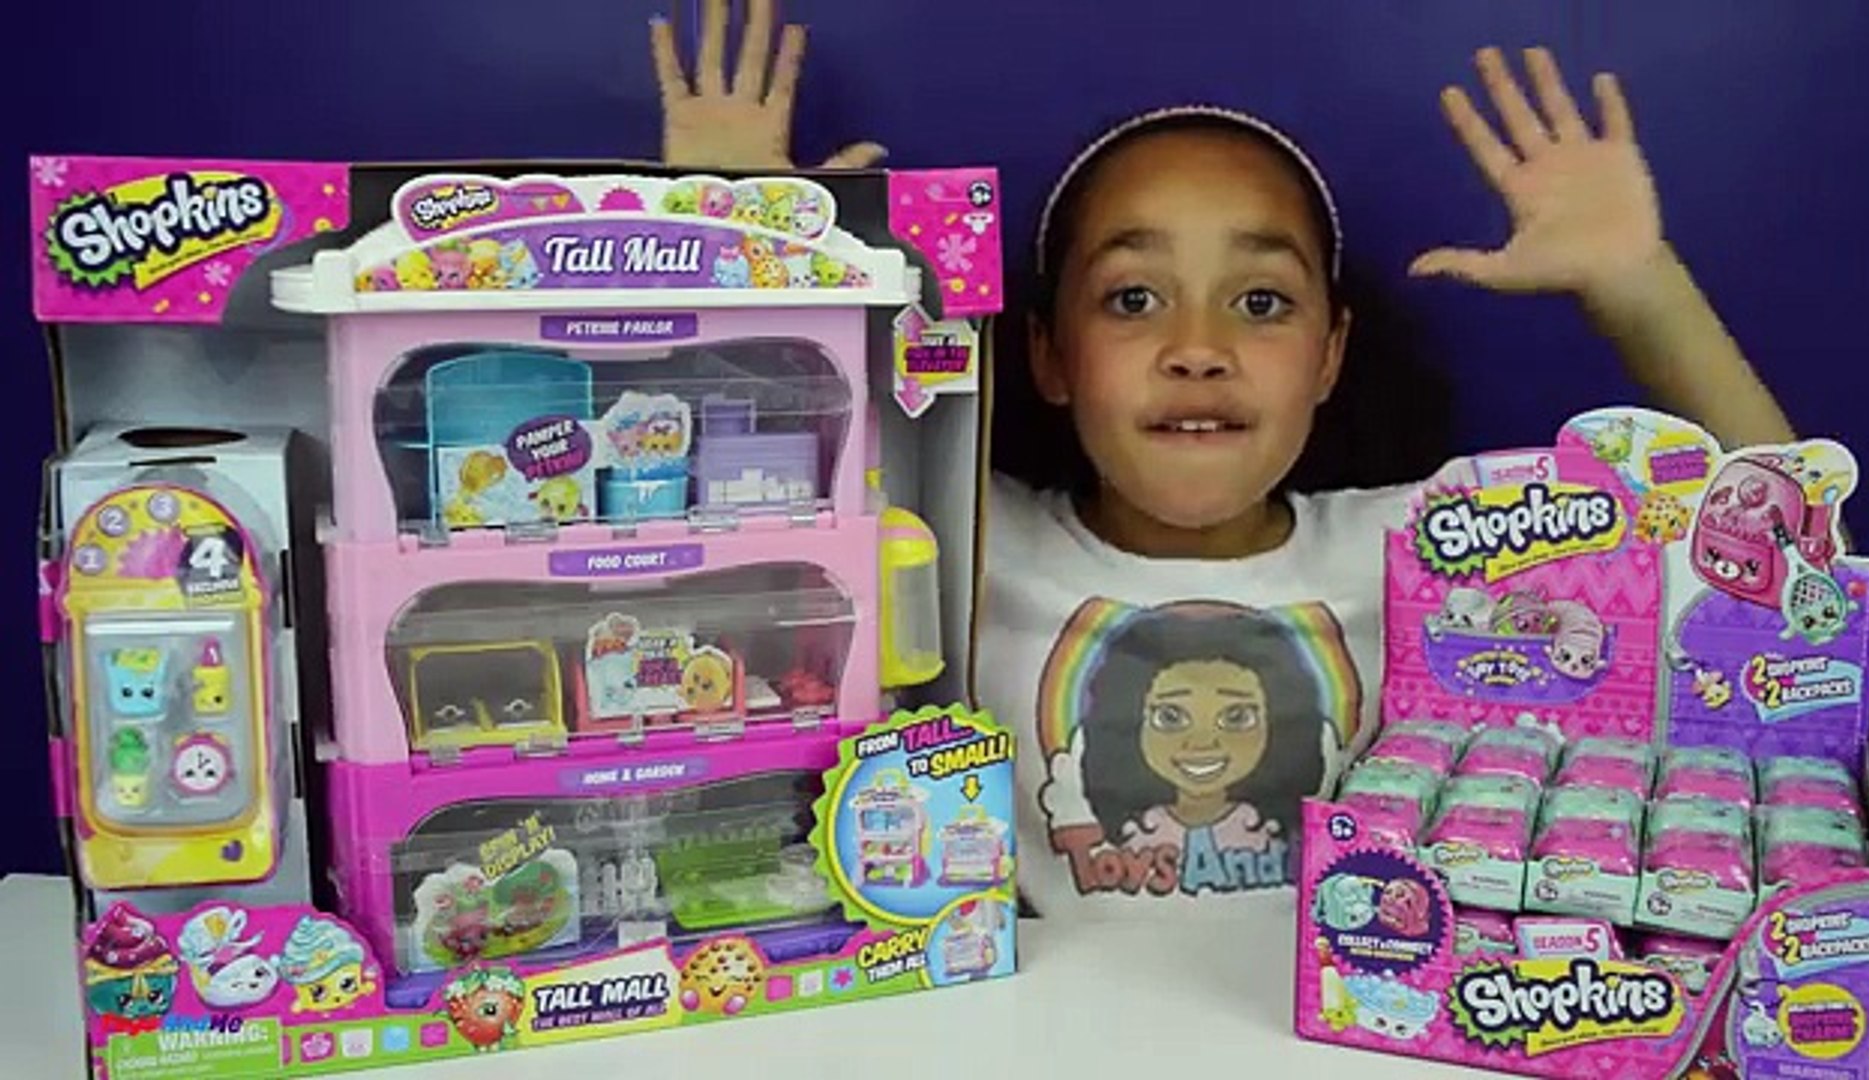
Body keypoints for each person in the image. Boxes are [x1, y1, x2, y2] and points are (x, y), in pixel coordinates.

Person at [647, 0, 1797, 918]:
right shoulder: (952, 541)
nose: (1197, 348)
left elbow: (1790, 564)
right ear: (1048, 355)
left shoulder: (1442, 544)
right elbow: (707, 527)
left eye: (1260, 301)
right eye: (1133, 298)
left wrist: (1639, 288)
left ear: (1330, 354)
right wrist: (732, 243)